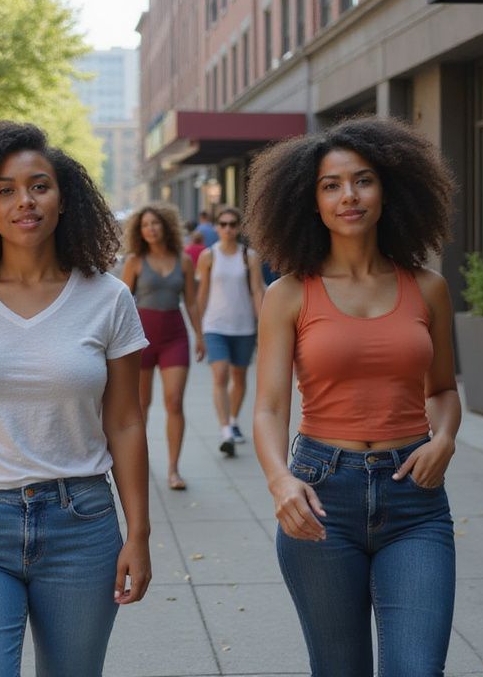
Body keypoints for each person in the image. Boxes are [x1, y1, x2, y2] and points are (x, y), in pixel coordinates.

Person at [0, 120, 152, 676]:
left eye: (39, 185)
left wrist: (137, 533)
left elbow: (125, 423)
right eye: (5, 190)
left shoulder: (107, 297)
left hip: (82, 523)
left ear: (64, 199)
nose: (25, 201)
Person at [248, 116, 459, 674]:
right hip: (322, 494)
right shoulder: (288, 293)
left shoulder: (428, 287)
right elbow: (269, 406)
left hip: (414, 497)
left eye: (362, 180)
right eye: (331, 184)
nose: (349, 196)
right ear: (309, 201)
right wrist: (280, 481)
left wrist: (446, 438)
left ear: (388, 190)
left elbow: (441, 390)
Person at [121, 203, 203, 490]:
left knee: (175, 401)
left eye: (155, 223)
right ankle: (139, 465)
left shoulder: (184, 261)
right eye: (145, 225)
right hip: (141, 340)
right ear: (139, 231)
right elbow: (120, 302)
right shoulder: (134, 261)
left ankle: (173, 469)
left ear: (165, 226)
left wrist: (200, 335)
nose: (151, 229)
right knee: (141, 405)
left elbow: (191, 301)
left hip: (175, 337)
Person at [196, 206, 265, 456]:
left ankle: (234, 420)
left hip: (244, 326)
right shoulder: (208, 256)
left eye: (232, 224)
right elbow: (201, 293)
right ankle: (225, 429)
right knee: (220, 375)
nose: (227, 229)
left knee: (239, 377)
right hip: (215, 326)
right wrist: (198, 330)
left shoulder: (250, 256)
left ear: (239, 227)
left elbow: (257, 291)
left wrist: (263, 325)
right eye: (223, 224)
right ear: (216, 227)